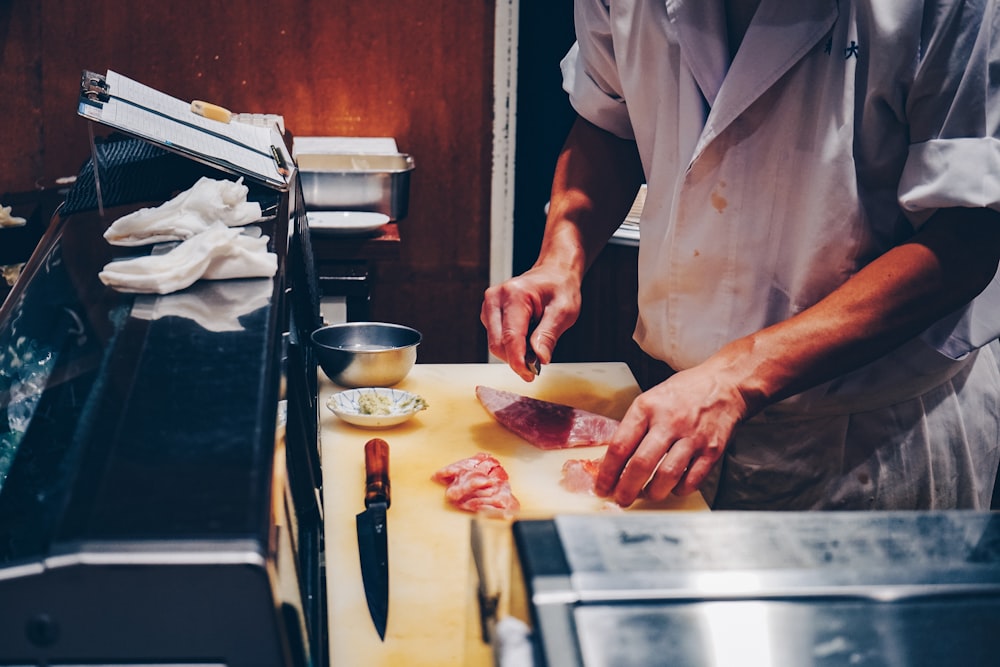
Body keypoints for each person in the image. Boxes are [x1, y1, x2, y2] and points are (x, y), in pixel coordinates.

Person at [480, 0, 1000, 511]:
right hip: (677, 414)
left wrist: (737, 376)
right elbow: (609, 119)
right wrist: (560, 258)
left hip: (869, 436)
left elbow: (967, 233)